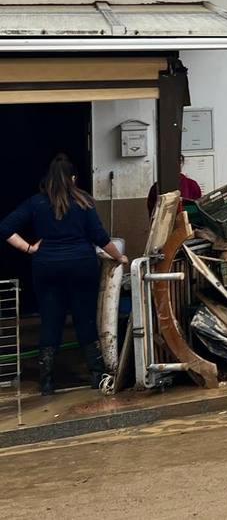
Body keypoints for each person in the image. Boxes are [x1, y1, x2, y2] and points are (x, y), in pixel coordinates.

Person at [0, 156, 128, 395]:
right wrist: (119, 257)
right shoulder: (84, 202)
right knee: (84, 318)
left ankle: (47, 381)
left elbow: (5, 228)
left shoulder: (36, 203)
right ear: (73, 179)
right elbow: (99, 236)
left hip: (46, 267)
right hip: (81, 265)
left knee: (50, 320)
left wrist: (29, 249)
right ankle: (96, 375)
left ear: (48, 179)